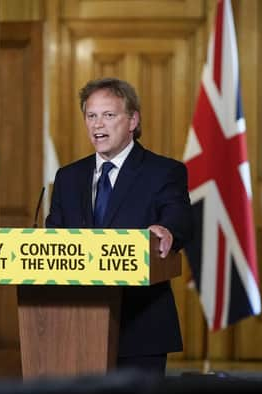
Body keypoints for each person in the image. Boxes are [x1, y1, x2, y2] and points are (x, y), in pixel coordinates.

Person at [45, 77, 193, 374]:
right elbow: (55, 235)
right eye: (91, 116)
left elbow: (178, 217)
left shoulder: (164, 171)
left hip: (140, 327)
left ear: (133, 120)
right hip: (75, 326)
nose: (98, 125)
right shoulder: (68, 177)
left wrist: (168, 231)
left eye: (109, 115)